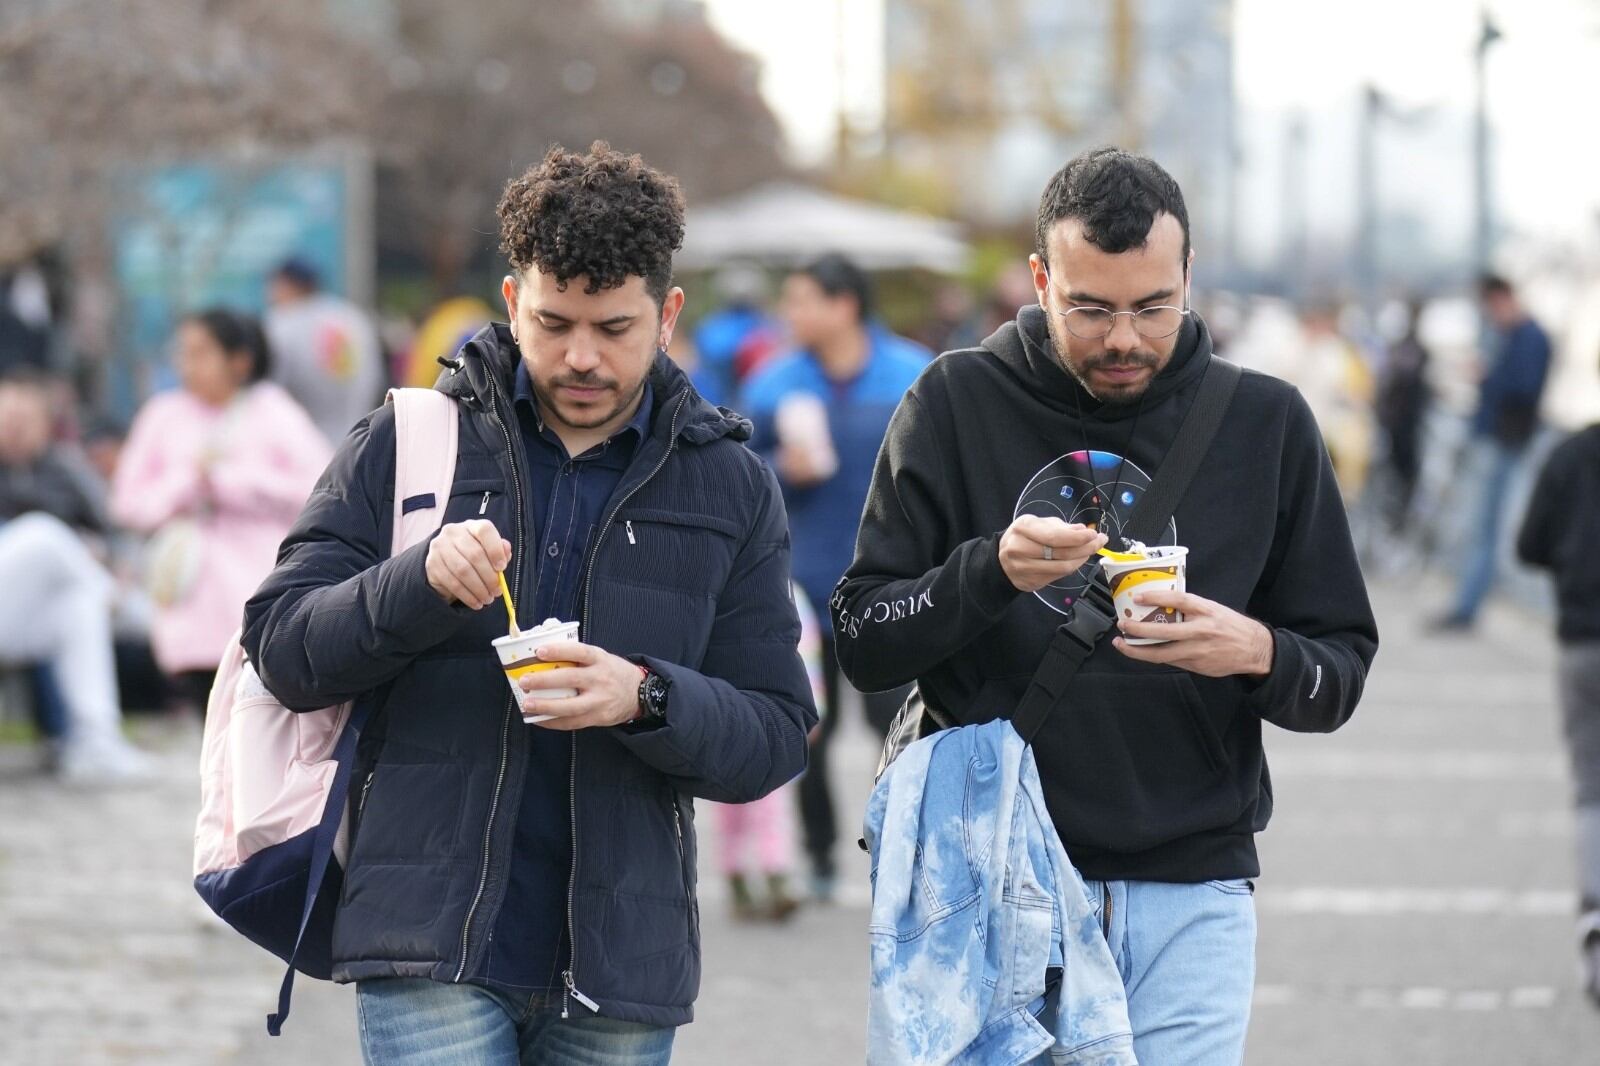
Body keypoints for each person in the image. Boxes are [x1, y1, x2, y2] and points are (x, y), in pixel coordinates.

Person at [241, 142, 815, 1066]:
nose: (580, 356)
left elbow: (777, 732)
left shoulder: (729, 484)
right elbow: (281, 649)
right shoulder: (408, 439)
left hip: (623, 966)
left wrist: (646, 696)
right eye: (553, 323)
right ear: (512, 301)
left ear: (667, 316)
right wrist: (418, 581)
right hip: (426, 942)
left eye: (614, 328)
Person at [833, 147, 1379, 1064]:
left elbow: (1341, 673)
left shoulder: (1267, 422)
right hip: (992, 877)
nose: (1122, 338)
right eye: (1090, 308)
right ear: (1041, 279)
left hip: (1194, 891)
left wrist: (1254, 650)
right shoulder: (953, 399)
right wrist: (989, 574)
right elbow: (861, 641)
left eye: (1152, 306)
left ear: (1188, 279)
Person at [740, 252, 930, 901]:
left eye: (802, 301)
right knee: (807, 732)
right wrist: (778, 467)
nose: (791, 314)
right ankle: (820, 856)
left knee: (900, 729)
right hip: (800, 586)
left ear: (843, 305)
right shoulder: (771, 381)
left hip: (892, 590)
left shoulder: (912, 374)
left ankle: (899, 852)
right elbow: (735, 471)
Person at [110, 310, 330, 709]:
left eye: (200, 353)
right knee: (206, 715)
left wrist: (236, 483)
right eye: (183, 354)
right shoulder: (163, 415)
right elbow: (127, 502)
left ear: (239, 360)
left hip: (261, 589)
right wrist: (184, 486)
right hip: (189, 598)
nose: (187, 365)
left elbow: (323, 487)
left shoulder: (273, 410)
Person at [0, 370, 154, 783]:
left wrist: (98, 553)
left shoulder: (62, 471)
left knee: (77, 608)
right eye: (6, 414)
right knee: (43, 533)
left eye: (24, 416)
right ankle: (130, 609)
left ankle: (94, 743)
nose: (14, 426)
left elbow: (110, 531)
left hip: (18, 613)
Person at [1516, 409, 1600, 1008]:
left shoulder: (1569, 454)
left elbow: (1529, 545)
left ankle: (1595, 914)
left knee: (1592, 790)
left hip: (1581, 642)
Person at [1434, 274, 1553, 631]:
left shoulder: (1529, 337)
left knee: (1484, 525)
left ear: (1501, 299)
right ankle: (1469, 601)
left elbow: (1524, 388)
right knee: (1482, 524)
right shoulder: (1514, 336)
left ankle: (1469, 604)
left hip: (1504, 441)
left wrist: (1486, 376)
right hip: (1499, 438)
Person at [262, 257, 387, 445]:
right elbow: (375, 378)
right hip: (357, 442)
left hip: (303, 447)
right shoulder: (353, 317)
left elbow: (269, 391)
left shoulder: (282, 323)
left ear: (286, 284)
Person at [1376, 299, 1432, 532]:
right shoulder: (1405, 351)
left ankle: (1400, 519)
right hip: (1398, 424)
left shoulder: (1410, 352)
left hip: (1406, 425)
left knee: (1403, 476)